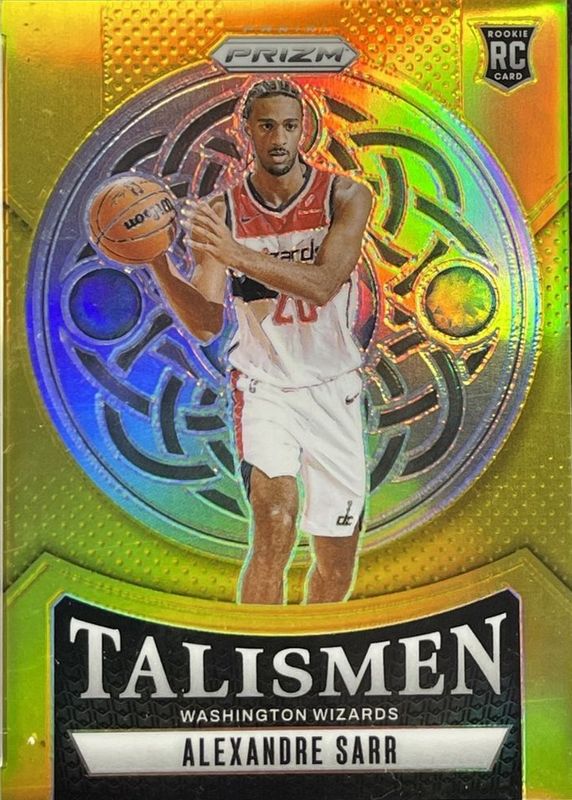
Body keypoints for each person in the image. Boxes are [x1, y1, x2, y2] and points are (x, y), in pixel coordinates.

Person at [151, 79, 372, 604]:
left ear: (304, 131)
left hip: (334, 389)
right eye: (267, 125)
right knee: (274, 523)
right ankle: (258, 648)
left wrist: (238, 255)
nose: (279, 138)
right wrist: (156, 262)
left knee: (336, 567)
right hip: (264, 388)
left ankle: (313, 645)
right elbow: (207, 323)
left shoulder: (346, 196)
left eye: (289, 126)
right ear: (245, 130)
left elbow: (323, 284)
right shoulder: (221, 213)